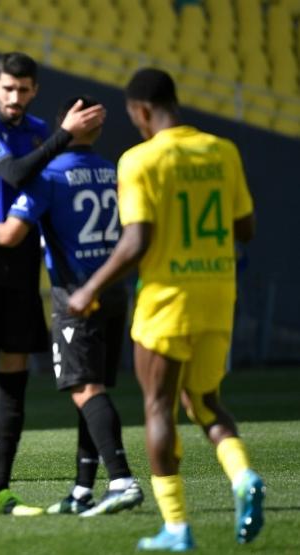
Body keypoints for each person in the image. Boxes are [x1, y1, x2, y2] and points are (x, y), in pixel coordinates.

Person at [67, 68, 264, 551]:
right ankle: (243, 476)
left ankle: (176, 527)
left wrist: (89, 289)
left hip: (167, 300)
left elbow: (137, 241)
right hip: (218, 294)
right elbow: (245, 228)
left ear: (140, 111)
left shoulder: (140, 160)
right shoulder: (223, 151)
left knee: (159, 407)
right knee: (206, 402)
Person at [0, 95, 144, 517]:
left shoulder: (50, 175)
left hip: (76, 293)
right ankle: (82, 489)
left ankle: (121, 479)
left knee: (85, 391)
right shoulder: (113, 171)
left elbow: (10, 235)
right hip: (115, 291)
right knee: (95, 390)